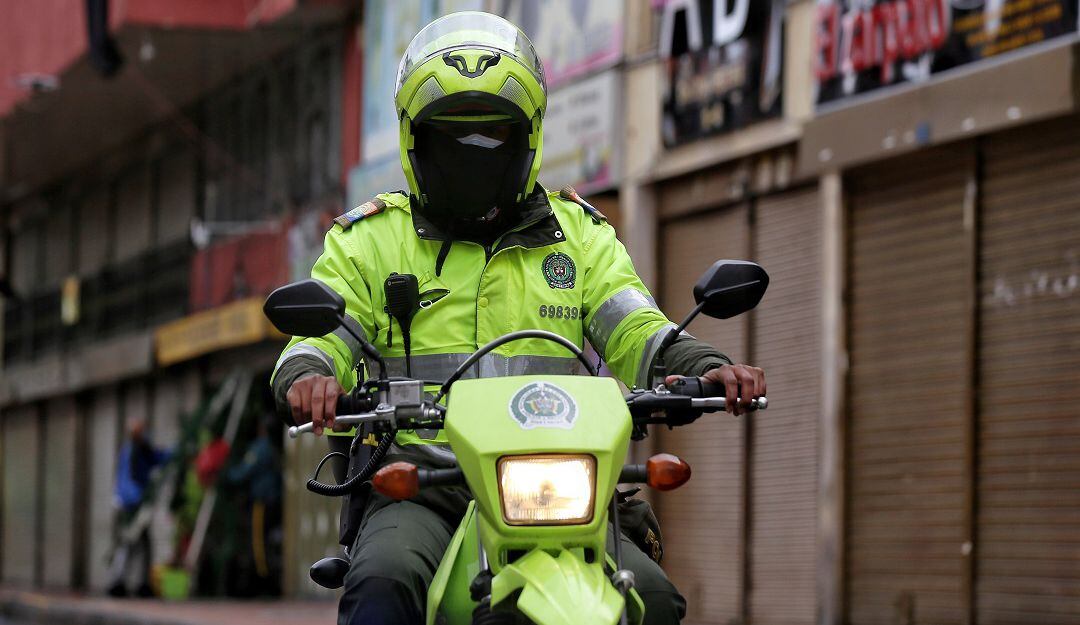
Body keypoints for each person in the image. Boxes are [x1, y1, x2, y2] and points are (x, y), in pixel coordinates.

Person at [272, 12, 766, 625]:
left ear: (528, 137)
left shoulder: (578, 236)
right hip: (425, 481)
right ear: (412, 141)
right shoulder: (370, 240)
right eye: (450, 140)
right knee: (383, 581)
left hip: (556, 486)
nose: (472, 156)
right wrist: (309, 376)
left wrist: (703, 365)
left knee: (654, 601)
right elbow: (320, 334)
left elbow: (635, 325)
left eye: (494, 137)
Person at [108, 417, 170, 597]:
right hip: (131, 507)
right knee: (128, 542)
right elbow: (127, 480)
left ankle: (142, 583)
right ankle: (119, 581)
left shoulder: (143, 451)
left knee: (142, 543)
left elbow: (159, 457)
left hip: (137, 505)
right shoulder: (132, 452)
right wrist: (135, 500)